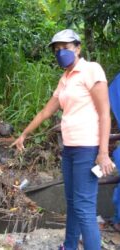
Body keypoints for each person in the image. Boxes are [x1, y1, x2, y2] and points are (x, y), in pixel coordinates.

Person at [11, 29, 115, 250]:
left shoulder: (91, 70)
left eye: (65, 48)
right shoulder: (65, 79)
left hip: (88, 149)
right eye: (57, 50)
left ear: (78, 48)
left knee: (84, 208)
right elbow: (45, 112)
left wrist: (103, 152)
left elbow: (105, 113)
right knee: (73, 203)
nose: (61, 53)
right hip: (69, 150)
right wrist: (24, 134)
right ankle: (69, 246)